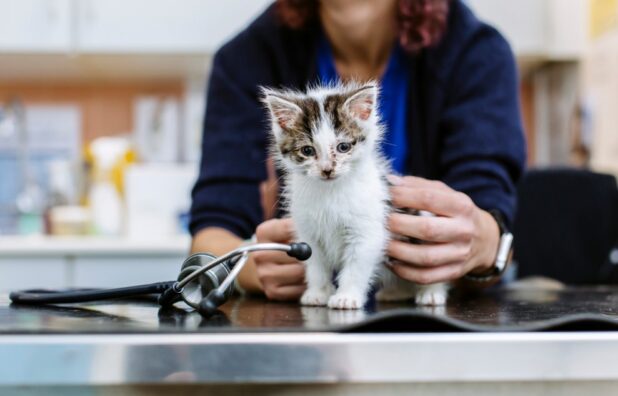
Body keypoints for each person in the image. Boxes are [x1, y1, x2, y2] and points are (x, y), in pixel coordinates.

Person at [190, 0, 527, 301]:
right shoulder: (247, 60)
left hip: (438, 319)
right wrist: (251, 267)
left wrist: (481, 244)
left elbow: (493, 218)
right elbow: (208, 240)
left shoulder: (475, 51)